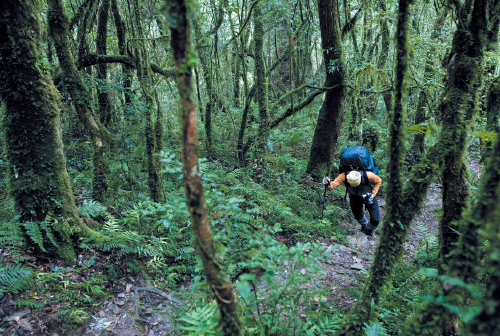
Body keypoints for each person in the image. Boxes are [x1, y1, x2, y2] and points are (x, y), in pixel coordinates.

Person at [323, 170, 382, 236]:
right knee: (358, 216)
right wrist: (327, 184)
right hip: (354, 197)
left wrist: (373, 194)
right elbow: (332, 186)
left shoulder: (368, 175)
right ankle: (364, 226)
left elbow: (379, 181)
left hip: (369, 196)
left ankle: (368, 229)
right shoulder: (344, 176)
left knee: (375, 220)